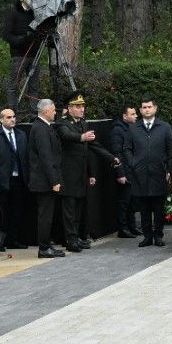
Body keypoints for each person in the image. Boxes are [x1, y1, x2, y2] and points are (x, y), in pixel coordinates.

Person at [56, 94, 114, 251]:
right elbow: (67, 136)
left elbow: (92, 146)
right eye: (77, 106)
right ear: (69, 108)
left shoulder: (82, 124)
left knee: (78, 209)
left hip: (81, 174)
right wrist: (82, 137)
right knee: (68, 210)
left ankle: (76, 236)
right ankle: (70, 240)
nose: (82, 109)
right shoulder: (63, 123)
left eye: (82, 106)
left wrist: (111, 158)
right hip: (68, 175)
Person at [121, 98, 172, 247]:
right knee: (143, 208)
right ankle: (147, 236)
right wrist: (133, 163)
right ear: (140, 110)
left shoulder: (164, 127)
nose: (147, 109)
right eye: (144, 107)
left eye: (149, 107)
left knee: (158, 208)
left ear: (155, 108)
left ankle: (158, 235)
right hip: (140, 175)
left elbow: (171, 151)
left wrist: (169, 170)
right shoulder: (133, 128)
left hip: (159, 174)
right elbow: (126, 148)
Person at [0, 107, 32, 250]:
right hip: (2, 180)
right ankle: (1, 240)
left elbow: (26, 157)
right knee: (2, 212)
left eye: (13, 116)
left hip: (19, 179)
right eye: (8, 117)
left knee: (17, 210)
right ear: (1, 120)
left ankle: (14, 239)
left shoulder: (21, 135)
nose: (12, 119)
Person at [27, 99, 66, 258]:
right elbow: (46, 157)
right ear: (45, 111)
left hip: (45, 179)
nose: (55, 112)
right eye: (53, 110)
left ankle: (46, 245)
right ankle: (43, 248)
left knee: (48, 215)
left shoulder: (43, 127)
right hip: (44, 181)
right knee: (45, 216)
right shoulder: (40, 128)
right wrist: (54, 180)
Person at [109, 105, 139, 238]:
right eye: (132, 114)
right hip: (125, 171)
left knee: (132, 201)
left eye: (135, 114)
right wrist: (120, 173)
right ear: (124, 116)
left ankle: (132, 226)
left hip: (132, 170)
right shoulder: (117, 131)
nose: (136, 116)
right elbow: (117, 153)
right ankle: (122, 228)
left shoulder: (132, 129)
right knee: (124, 202)